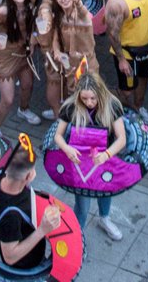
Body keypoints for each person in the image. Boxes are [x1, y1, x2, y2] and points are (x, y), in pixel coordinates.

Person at [53, 69, 127, 240]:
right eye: (84, 98)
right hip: (79, 163)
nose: (89, 102)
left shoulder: (112, 105)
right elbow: (58, 135)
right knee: (82, 203)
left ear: (100, 93)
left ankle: (104, 218)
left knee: (106, 191)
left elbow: (121, 139)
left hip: (104, 158)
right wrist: (67, 149)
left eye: (93, 98)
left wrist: (106, 155)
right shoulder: (71, 106)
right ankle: (78, 236)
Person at [0, 135, 63, 273]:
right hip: (25, 265)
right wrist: (42, 230)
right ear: (28, 176)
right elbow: (9, 257)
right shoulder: (10, 216)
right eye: (33, 170)